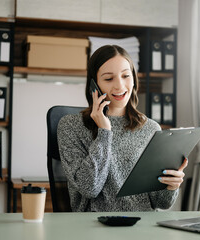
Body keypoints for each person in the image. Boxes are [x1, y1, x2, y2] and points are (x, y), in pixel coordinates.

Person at [57, 45, 188, 212]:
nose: (119, 86)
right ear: (93, 84)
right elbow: (89, 188)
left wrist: (171, 186)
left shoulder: (150, 128)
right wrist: (104, 132)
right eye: (109, 79)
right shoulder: (70, 126)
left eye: (126, 76)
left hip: (142, 228)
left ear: (133, 78)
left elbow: (160, 202)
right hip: (95, 228)